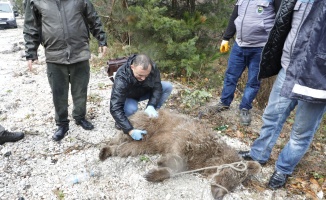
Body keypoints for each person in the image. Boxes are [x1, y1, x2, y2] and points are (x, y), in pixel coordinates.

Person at [239, 0, 326, 190]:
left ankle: (283, 168)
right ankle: (258, 154)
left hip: (318, 80)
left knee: (301, 132)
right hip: (288, 69)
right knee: (272, 116)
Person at [23, 0, 108, 141]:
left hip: (79, 52)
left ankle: (80, 117)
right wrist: (31, 52)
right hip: (54, 56)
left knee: (80, 90)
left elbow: (92, 17)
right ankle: (62, 123)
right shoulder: (36, 1)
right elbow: (31, 26)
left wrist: (102, 39)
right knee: (58, 93)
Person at [209, 0, 281, 125]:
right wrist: (226, 38)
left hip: (260, 48)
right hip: (239, 45)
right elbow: (235, 15)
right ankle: (224, 102)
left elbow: (281, 19)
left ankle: (245, 108)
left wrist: (275, 45)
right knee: (231, 75)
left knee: (253, 81)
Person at [110, 54, 173, 141]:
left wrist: (151, 105)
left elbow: (157, 88)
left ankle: (153, 113)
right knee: (131, 109)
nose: (143, 78)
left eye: (146, 75)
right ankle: (122, 122)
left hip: (145, 91)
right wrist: (130, 130)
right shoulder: (122, 77)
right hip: (130, 96)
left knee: (167, 86)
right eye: (140, 75)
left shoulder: (153, 68)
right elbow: (115, 107)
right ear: (132, 67)